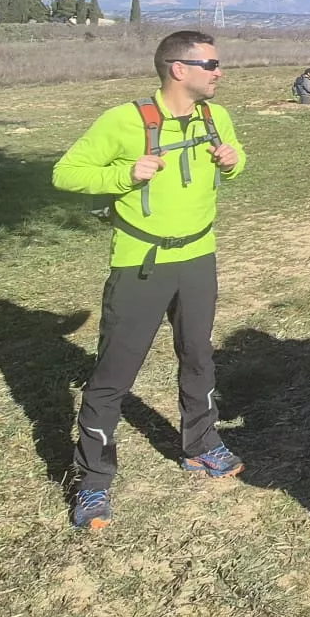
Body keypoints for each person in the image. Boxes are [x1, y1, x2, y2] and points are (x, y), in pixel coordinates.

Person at [54, 29, 247, 530]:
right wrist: (124, 176)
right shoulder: (123, 121)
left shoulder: (215, 118)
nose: (220, 71)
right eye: (211, 64)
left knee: (198, 354)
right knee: (115, 371)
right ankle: (93, 481)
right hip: (140, 262)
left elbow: (237, 162)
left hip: (199, 256)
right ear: (178, 69)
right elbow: (66, 173)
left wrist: (233, 161)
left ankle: (201, 445)